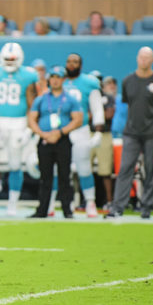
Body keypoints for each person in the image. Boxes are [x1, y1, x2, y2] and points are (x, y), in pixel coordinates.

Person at [106, 48, 153, 219]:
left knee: (151, 169)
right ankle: (118, 206)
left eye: (147, 58)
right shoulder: (128, 81)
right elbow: (128, 103)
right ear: (137, 59)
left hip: (152, 133)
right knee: (125, 168)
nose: (144, 60)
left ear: (152, 60)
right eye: (141, 57)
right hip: (131, 133)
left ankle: (147, 206)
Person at [0, 43, 37, 216]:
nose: (10, 62)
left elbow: (31, 104)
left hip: (18, 122)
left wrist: (29, 128)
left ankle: (12, 203)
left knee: (15, 163)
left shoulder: (28, 75)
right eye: (7, 59)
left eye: (13, 59)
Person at [48, 53, 105, 217]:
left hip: (80, 130)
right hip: (59, 131)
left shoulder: (89, 83)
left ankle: (90, 202)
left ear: (80, 64)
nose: (71, 64)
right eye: (69, 61)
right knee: (56, 169)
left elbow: (96, 108)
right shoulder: (59, 81)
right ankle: (51, 202)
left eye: (75, 62)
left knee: (84, 167)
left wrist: (98, 131)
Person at [28, 66, 83, 218]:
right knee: (45, 177)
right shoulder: (42, 99)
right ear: (48, 80)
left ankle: (67, 209)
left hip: (62, 140)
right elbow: (32, 119)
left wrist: (60, 132)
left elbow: (78, 119)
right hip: (45, 140)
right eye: (52, 77)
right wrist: (43, 134)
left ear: (63, 79)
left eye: (58, 77)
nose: (55, 80)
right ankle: (42, 210)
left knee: (64, 176)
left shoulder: (70, 99)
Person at [90, 74, 116, 211]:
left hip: (105, 134)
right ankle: (86, 200)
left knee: (105, 170)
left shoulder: (108, 97)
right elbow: (85, 114)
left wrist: (95, 113)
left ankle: (109, 200)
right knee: (84, 169)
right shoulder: (88, 96)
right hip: (89, 133)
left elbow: (109, 114)